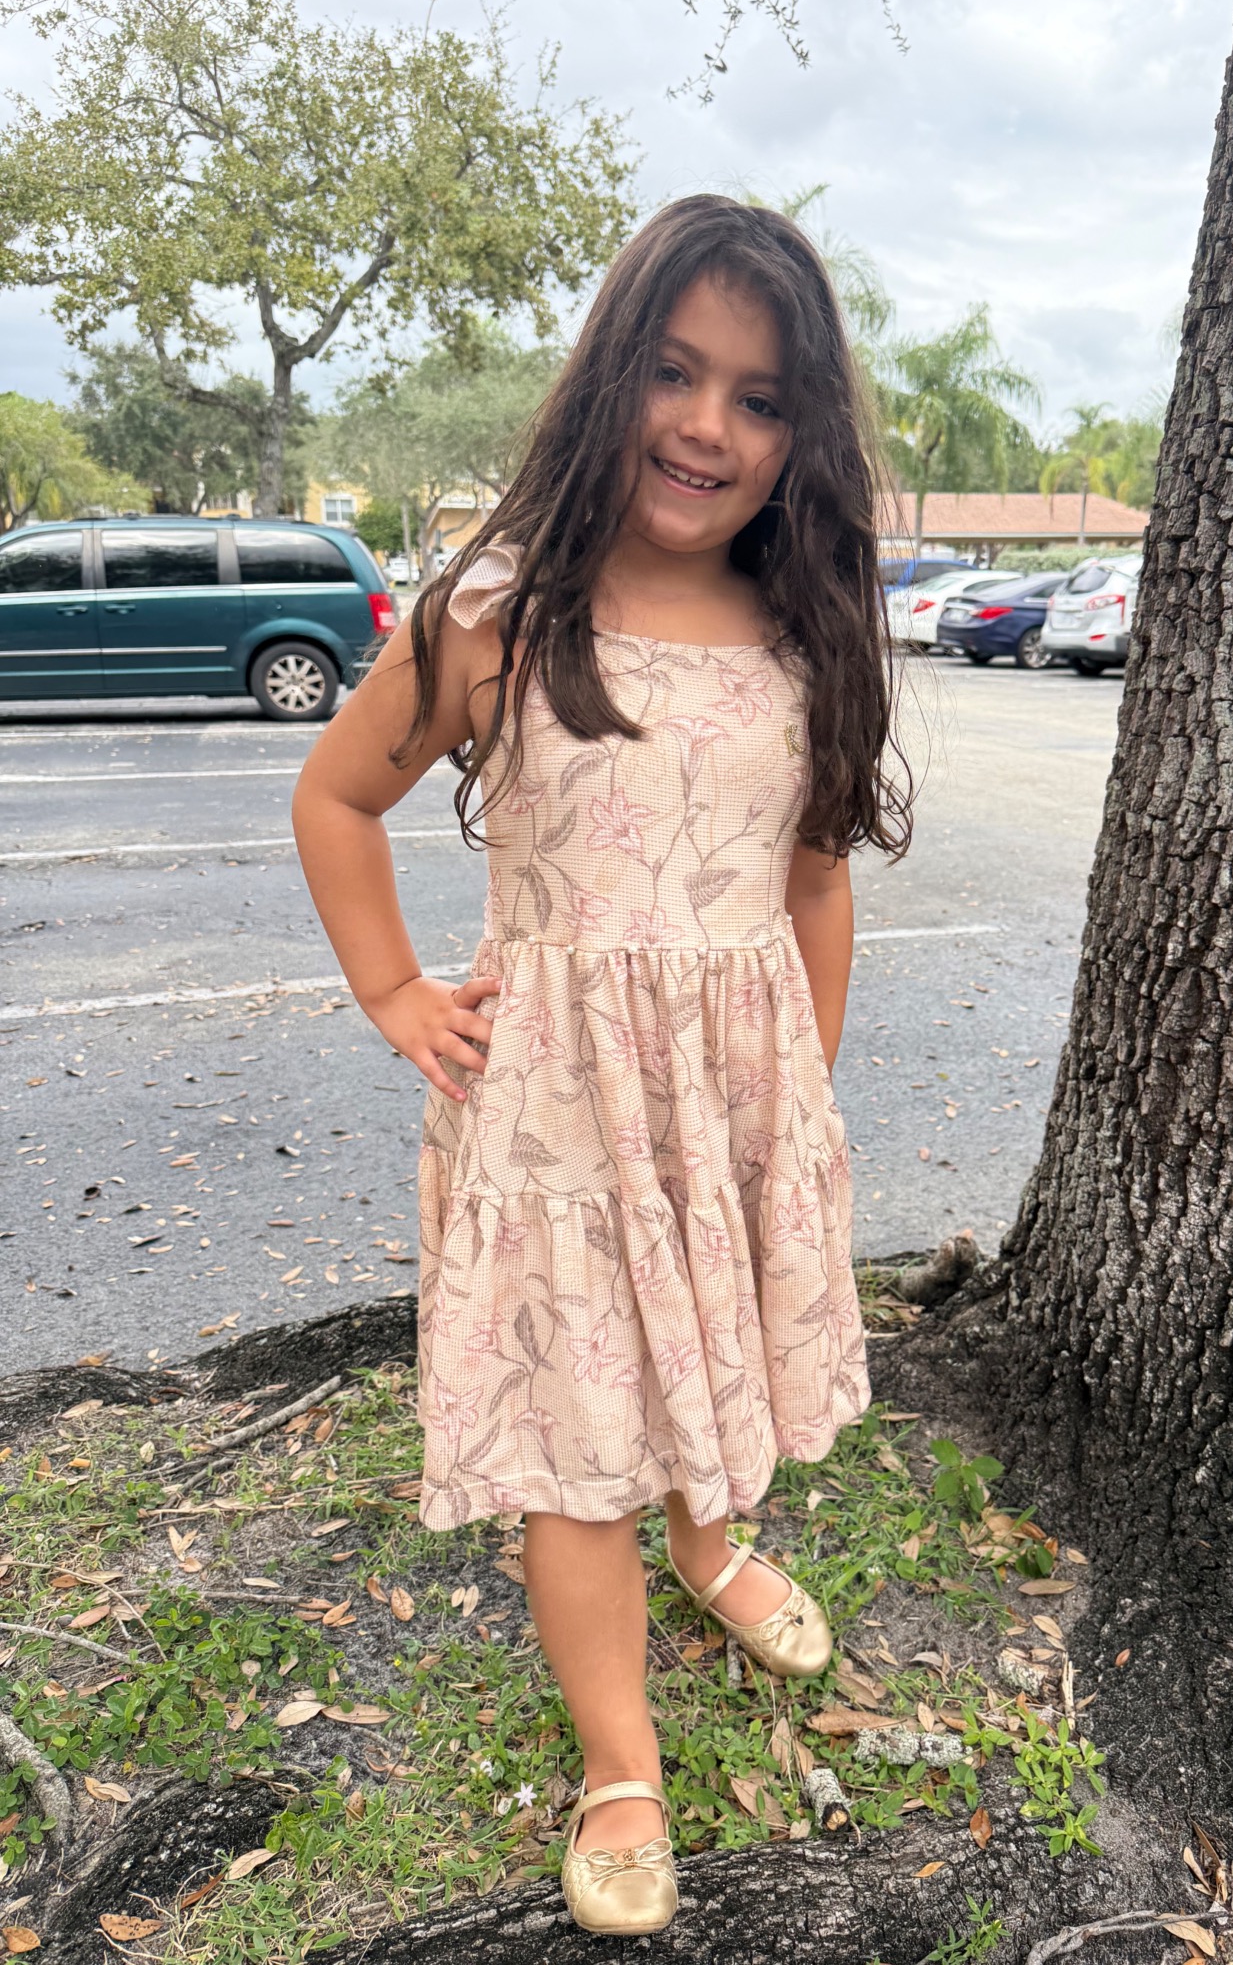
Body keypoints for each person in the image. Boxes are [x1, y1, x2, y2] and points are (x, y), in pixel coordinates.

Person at [291, 193, 914, 1936]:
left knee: (710, 1361)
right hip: (556, 1130)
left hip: (730, 1118)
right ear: (610, 375)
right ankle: (621, 1760)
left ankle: (707, 1542)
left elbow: (812, 884)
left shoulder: (807, 633)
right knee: (580, 1436)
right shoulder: (498, 614)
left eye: (760, 398)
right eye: (676, 372)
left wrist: (798, 1103)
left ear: (801, 435)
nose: (710, 425)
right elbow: (335, 797)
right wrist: (395, 989)